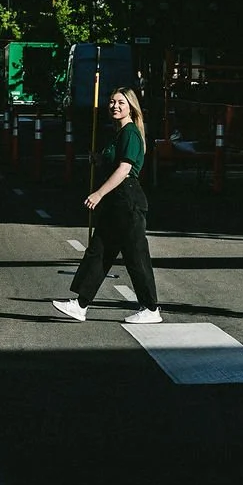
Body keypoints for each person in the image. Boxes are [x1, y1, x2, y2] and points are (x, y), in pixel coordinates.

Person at [53, 88, 161, 324]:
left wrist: (99, 193)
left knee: (136, 256)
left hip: (127, 201)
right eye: (112, 102)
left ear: (131, 107)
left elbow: (124, 169)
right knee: (98, 252)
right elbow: (115, 161)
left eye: (121, 102)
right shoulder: (118, 133)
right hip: (116, 203)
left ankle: (151, 308)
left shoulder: (130, 133)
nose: (115, 106)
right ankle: (80, 305)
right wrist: (99, 159)